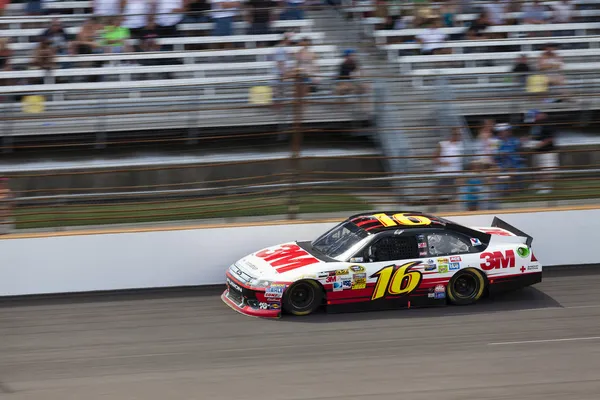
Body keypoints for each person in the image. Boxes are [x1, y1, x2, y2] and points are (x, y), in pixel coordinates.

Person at [525, 110, 559, 194]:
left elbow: (551, 138)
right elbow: (534, 135)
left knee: (547, 170)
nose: (533, 121)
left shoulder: (548, 123)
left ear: (539, 115)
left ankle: (547, 186)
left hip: (547, 152)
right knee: (537, 169)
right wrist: (527, 139)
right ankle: (538, 183)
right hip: (537, 151)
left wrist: (540, 144)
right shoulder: (536, 125)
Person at [433, 128, 464, 202]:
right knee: (437, 192)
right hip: (444, 173)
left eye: (459, 134)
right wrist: (442, 162)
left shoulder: (460, 145)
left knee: (456, 193)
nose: (458, 136)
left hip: (456, 174)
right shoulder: (443, 144)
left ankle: (456, 209)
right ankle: (432, 207)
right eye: (456, 134)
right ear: (452, 135)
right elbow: (434, 158)